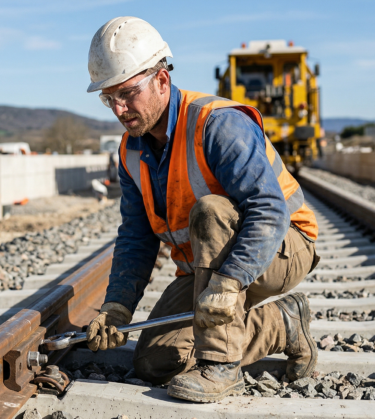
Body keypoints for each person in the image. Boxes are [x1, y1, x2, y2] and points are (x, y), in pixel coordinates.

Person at [84, 17, 321, 403]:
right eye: (109, 98)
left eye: (128, 93)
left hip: (283, 246)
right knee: (154, 362)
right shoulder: (131, 151)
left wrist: (229, 283)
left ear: (162, 80)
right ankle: (283, 323)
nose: (120, 108)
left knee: (210, 210)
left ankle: (222, 368)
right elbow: (136, 236)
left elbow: (267, 210)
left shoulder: (218, 124)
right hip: (206, 265)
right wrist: (116, 308)